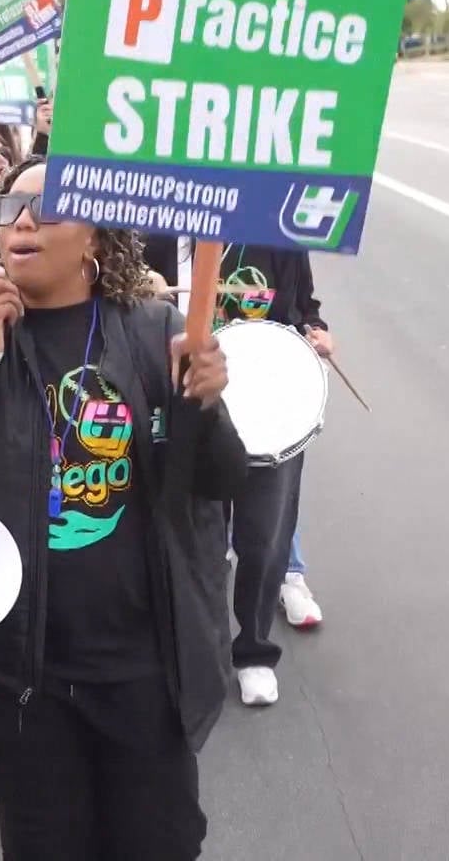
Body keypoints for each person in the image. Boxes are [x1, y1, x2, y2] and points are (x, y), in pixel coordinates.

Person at [0, 157, 247, 859]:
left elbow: (219, 481)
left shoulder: (153, 329)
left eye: (48, 208)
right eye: (9, 211)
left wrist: (204, 405)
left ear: (95, 236)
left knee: (161, 843)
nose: (22, 223)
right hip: (24, 680)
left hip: (144, 672)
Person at [141, 234, 331, 706]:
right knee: (188, 537)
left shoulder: (279, 240)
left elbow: (304, 307)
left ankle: (254, 651)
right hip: (184, 407)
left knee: (264, 540)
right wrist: (141, 287)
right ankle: (195, 647)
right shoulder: (153, 236)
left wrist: (315, 331)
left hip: (267, 410)